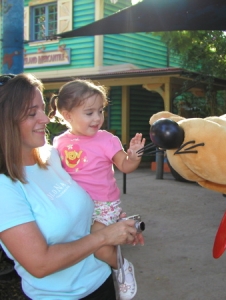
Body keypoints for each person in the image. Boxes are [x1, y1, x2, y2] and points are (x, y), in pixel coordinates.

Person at [0, 73, 143, 300]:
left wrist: (115, 225)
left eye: (42, 109)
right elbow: (40, 264)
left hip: (100, 281)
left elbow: (80, 206)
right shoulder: (5, 187)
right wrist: (105, 236)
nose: (46, 119)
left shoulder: (53, 156)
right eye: (31, 113)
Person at [48, 79, 145, 300]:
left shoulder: (107, 140)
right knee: (75, 243)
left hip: (103, 204)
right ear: (67, 115)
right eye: (89, 112)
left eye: (100, 111)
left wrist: (134, 155)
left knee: (98, 246)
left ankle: (122, 266)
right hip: (74, 205)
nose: (97, 118)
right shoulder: (59, 142)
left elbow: (125, 166)